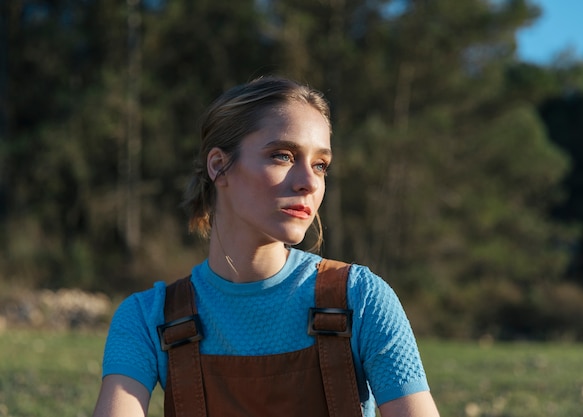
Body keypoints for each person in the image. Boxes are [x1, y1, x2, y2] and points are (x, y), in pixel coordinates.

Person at [93, 76, 440, 417]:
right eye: (282, 156)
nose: (308, 182)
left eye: (320, 165)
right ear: (219, 166)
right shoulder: (146, 318)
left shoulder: (362, 298)